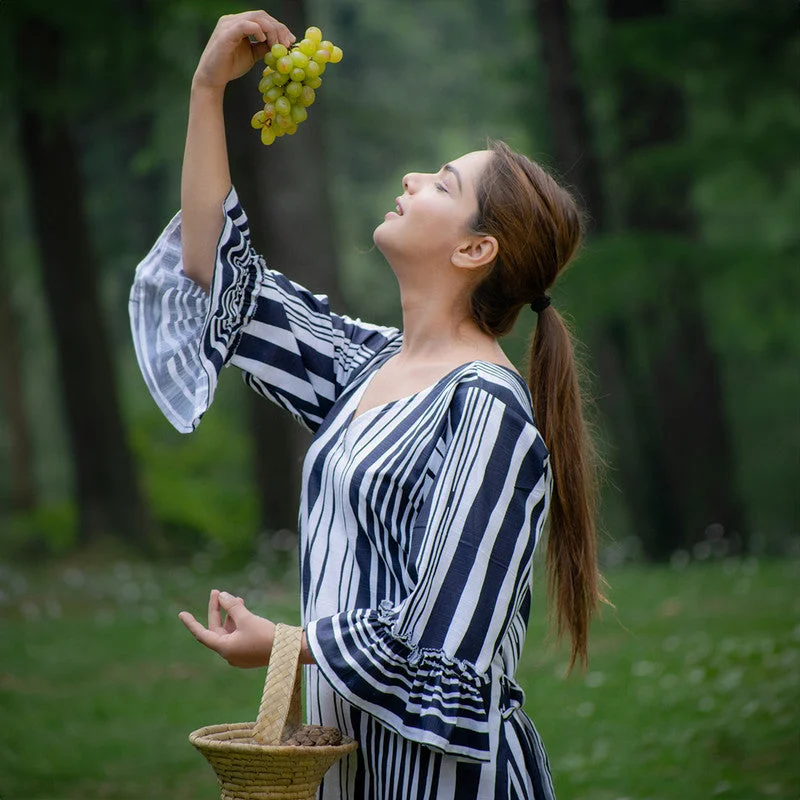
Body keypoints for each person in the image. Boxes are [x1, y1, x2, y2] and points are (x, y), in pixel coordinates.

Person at [129, 10, 605, 800]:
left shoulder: (487, 413)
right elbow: (217, 272)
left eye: (444, 184)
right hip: (353, 771)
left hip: (443, 782)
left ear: (474, 249)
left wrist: (285, 644)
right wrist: (207, 88)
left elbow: (444, 641)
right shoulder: (366, 366)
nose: (415, 179)